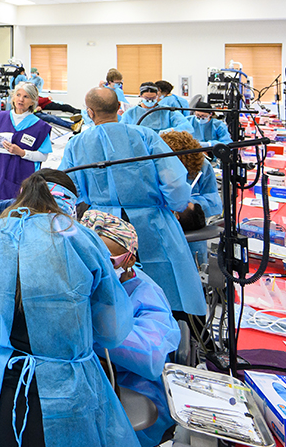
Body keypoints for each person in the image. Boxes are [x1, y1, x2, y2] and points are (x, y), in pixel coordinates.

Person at [0, 171, 144, 447]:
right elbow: (111, 328)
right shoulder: (79, 239)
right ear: (68, 203)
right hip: (65, 395)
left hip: (1, 392)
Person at [60, 87, 206, 319]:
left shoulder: (76, 144)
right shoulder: (145, 136)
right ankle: (173, 343)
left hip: (105, 229)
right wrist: (174, 206)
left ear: (89, 112)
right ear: (119, 108)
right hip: (152, 223)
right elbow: (175, 183)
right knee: (168, 290)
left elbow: (69, 188)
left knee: (113, 294)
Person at [81, 210, 181, 447]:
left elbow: (151, 355)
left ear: (129, 260)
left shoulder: (146, 293)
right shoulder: (81, 285)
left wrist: (93, 328)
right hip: (89, 378)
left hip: (135, 387)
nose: (97, 270)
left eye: (107, 261)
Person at [161, 130, 223, 266]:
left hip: (192, 232)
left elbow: (214, 202)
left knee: (193, 267)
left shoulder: (202, 167)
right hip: (163, 229)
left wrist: (188, 204)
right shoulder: (159, 167)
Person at [0, 82, 54, 200]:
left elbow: (43, 156)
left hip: (24, 180)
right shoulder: (0, 118)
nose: (21, 99)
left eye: (26, 97)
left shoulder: (40, 127)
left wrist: (22, 153)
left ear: (33, 101)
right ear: (13, 97)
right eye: (18, 95)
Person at [119, 82, 191, 133]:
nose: (150, 101)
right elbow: (121, 132)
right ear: (140, 96)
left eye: (153, 98)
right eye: (147, 98)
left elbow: (187, 127)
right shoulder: (130, 113)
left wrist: (171, 131)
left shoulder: (166, 111)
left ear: (157, 96)